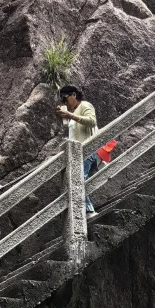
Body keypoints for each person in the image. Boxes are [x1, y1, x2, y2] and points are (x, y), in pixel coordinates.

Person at [57, 85, 99, 215]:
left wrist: (71, 115)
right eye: (63, 101)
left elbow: (92, 121)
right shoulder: (74, 112)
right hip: (80, 152)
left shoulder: (85, 105)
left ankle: (89, 211)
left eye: (66, 99)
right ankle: (89, 210)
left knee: (77, 181)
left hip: (88, 150)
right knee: (79, 181)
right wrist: (68, 116)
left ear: (74, 95)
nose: (65, 102)